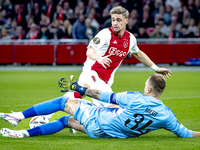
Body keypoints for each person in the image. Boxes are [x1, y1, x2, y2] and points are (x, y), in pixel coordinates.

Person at [1, 73, 200, 138]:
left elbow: (104, 95)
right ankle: (23, 134)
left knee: (64, 102)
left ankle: (18, 116)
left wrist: (80, 88)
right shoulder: (166, 115)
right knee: (65, 121)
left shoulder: (136, 98)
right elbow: (187, 133)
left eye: (145, 85)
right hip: (107, 133)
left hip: (98, 121)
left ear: (148, 89)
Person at [65, 6, 172, 107]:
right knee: (110, 105)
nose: (115, 23)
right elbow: (89, 51)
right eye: (113, 20)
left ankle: (71, 123)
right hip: (92, 72)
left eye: (118, 20)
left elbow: (138, 53)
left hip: (106, 79)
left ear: (126, 20)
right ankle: (48, 114)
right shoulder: (105, 34)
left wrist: (156, 68)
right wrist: (99, 58)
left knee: (85, 99)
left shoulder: (130, 39)